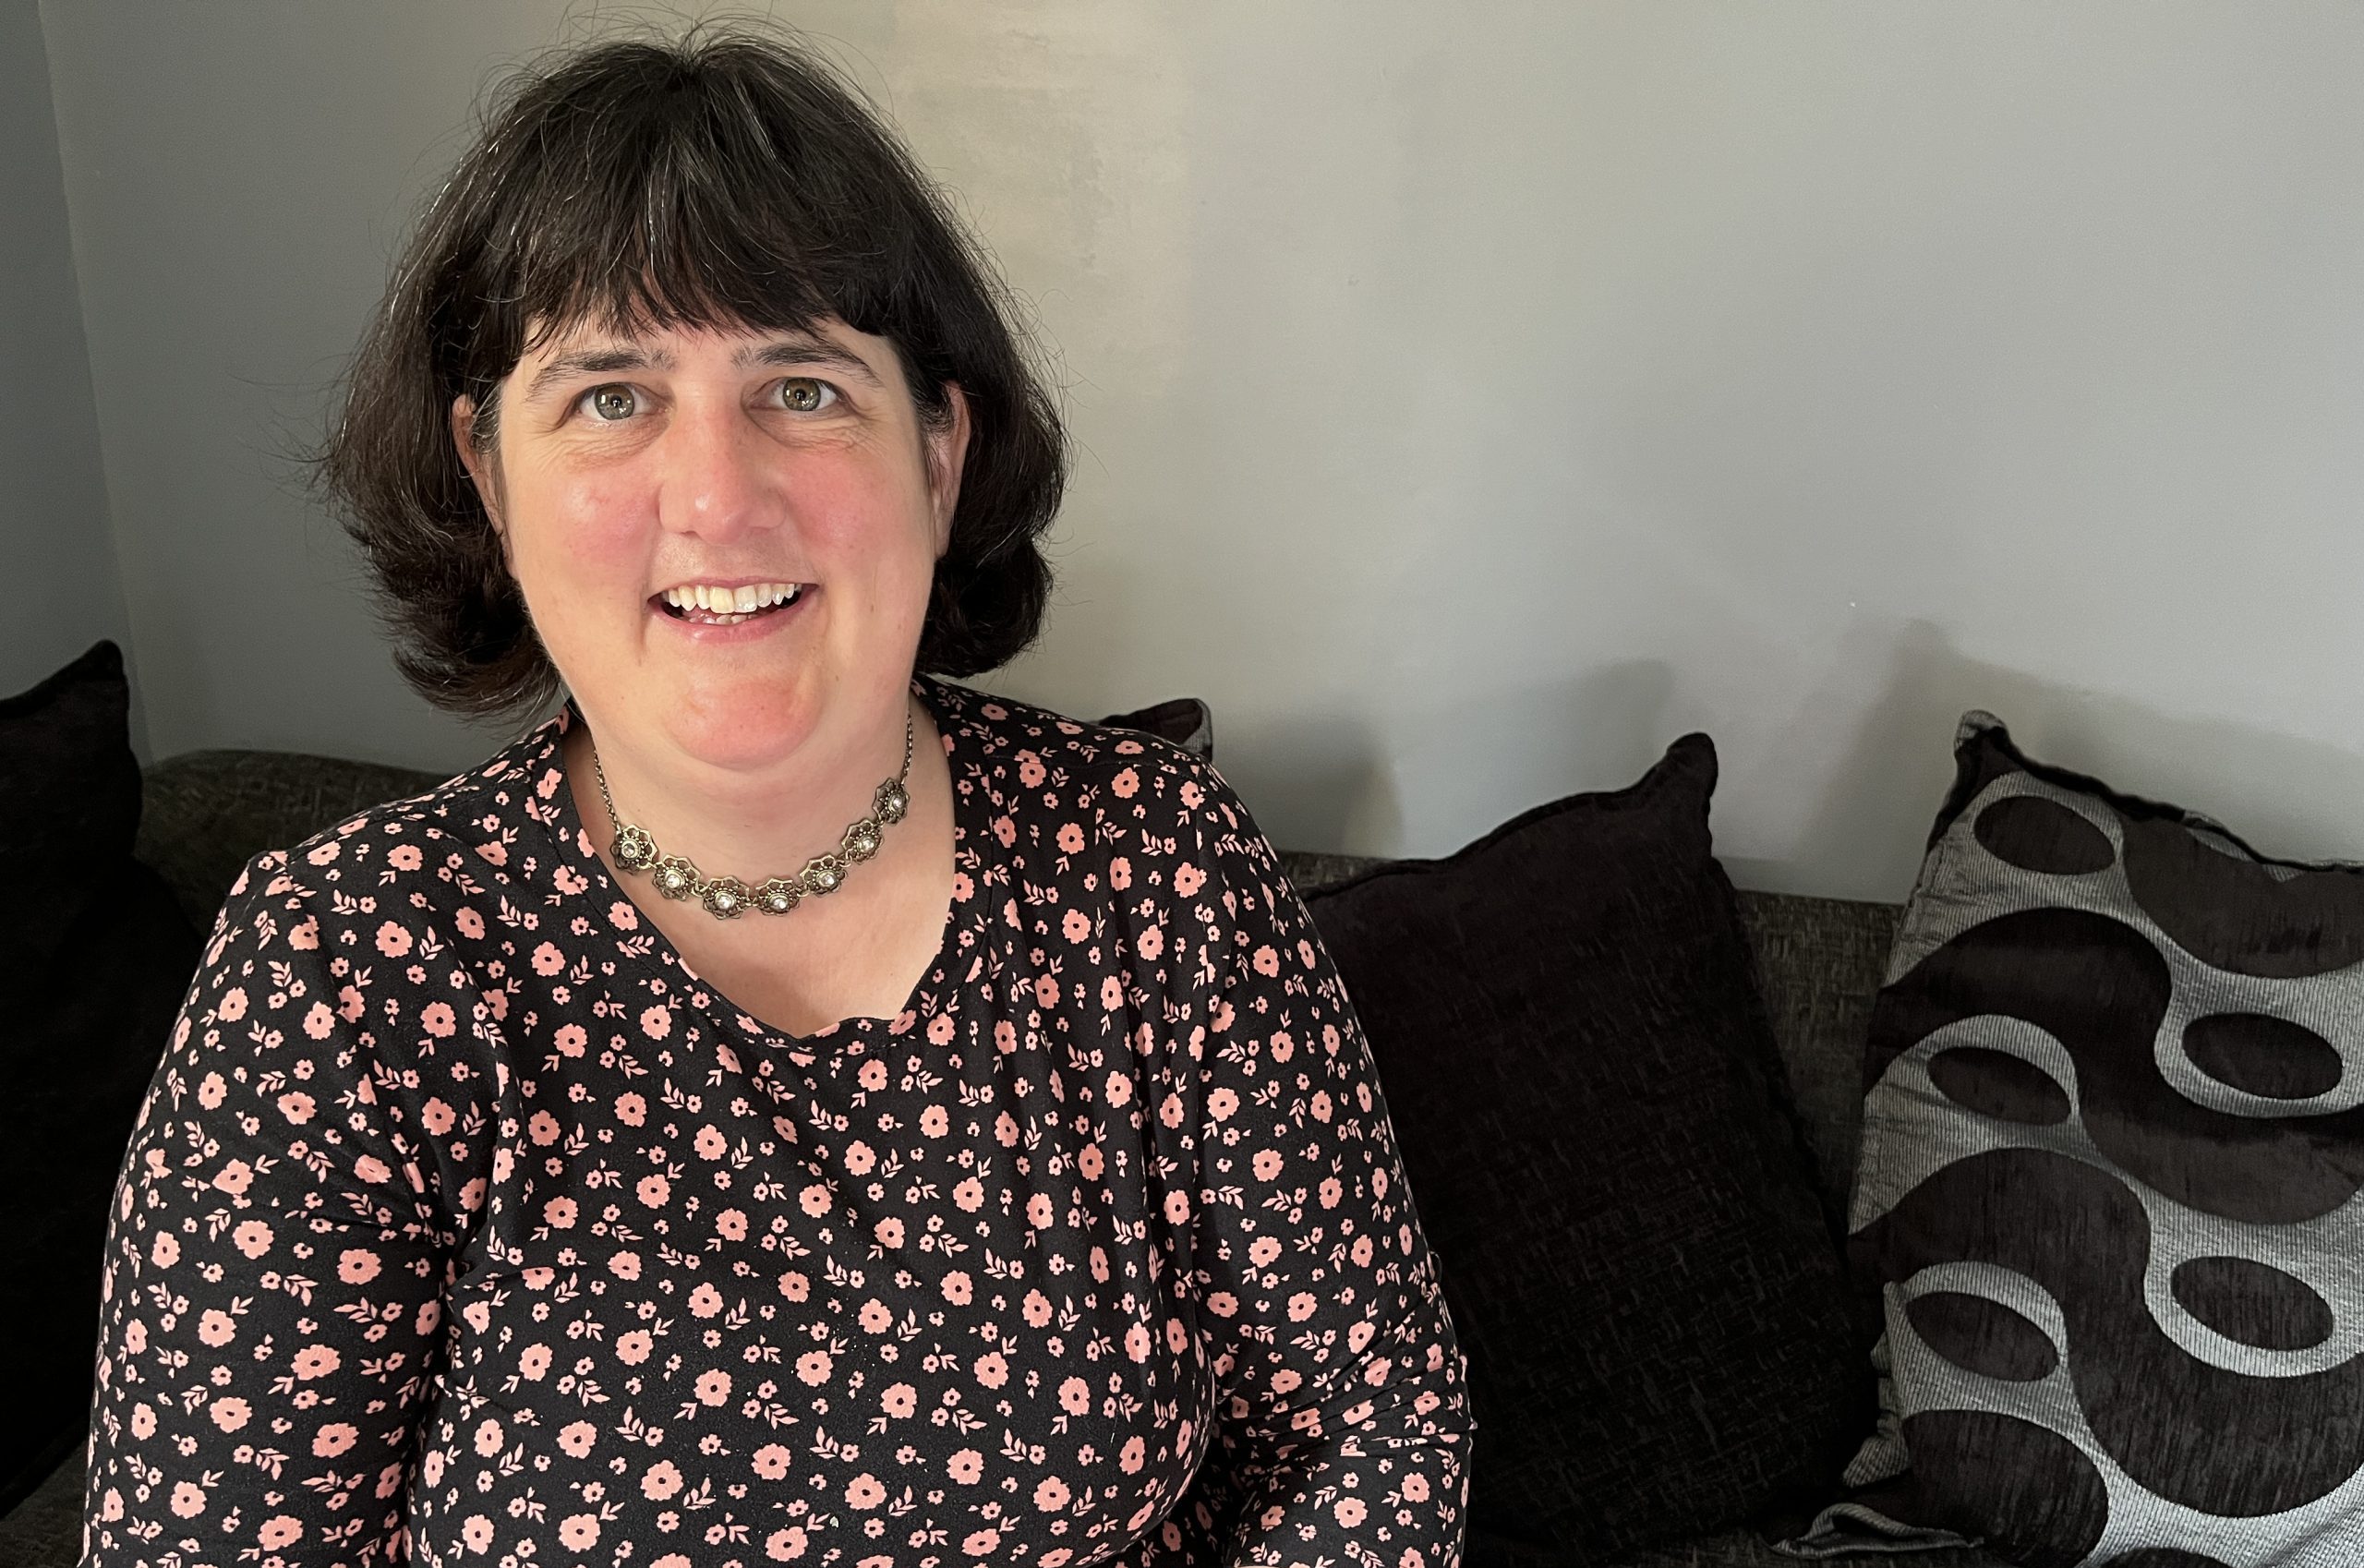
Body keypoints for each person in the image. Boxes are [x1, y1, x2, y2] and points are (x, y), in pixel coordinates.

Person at [81, 25, 1472, 1568]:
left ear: (938, 457)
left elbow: (1370, 1423)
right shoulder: (341, 978)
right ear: (489, 476)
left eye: (802, 385)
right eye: (609, 396)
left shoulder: (1156, 872)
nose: (717, 495)